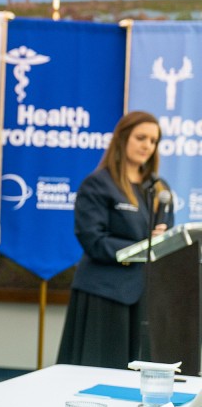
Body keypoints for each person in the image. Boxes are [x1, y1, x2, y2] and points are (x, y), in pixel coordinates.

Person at [57, 110, 174, 369]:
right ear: (122, 139)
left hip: (146, 298)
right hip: (105, 294)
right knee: (98, 374)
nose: (147, 146)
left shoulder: (159, 188)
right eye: (141, 137)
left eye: (153, 141)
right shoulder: (97, 184)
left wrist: (163, 241)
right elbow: (93, 241)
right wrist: (144, 246)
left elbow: (166, 242)